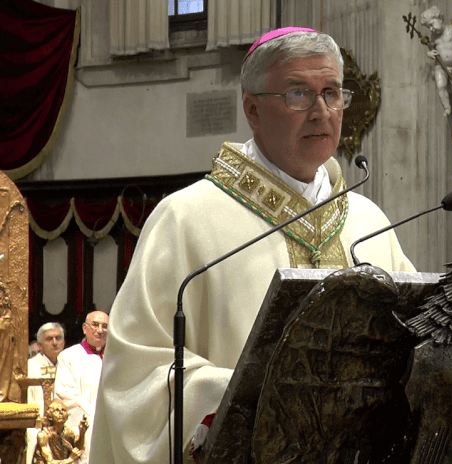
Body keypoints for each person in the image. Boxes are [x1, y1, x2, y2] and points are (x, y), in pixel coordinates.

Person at [90, 27, 415, 464]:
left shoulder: (369, 220)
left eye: (332, 93)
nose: (321, 111)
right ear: (253, 109)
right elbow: (135, 374)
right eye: (299, 94)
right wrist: (241, 395)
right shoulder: (184, 219)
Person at [55, 310, 107, 464]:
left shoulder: (117, 356)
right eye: (95, 325)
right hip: (83, 418)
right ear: (85, 328)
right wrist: (95, 413)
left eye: (105, 326)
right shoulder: (68, 356)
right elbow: (66, 394)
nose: (100, 330)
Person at [26, 322, 66, 464]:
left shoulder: (70, 365)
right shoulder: (30, 366)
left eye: (58, 338)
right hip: (39, 423)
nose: (55, 343)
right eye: (49, 339)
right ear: (39, 345)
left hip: (65, 421)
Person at [421, 6, 452, 116]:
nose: (431, 29)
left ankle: (448, 92)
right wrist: (429, 54)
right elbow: (431, 48)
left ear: (439, 18)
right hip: (441, 66)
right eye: (428, 27)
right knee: (440, 86)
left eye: (431, 24)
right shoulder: (434, 37)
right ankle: (447, 107)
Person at [34, 399, 88, 464]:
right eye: (57, 410)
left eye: (63, 410)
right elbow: (49, 462)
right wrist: (70, 459)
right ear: (50, 416)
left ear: (67, 416)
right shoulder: (43, 435)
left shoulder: (69, 433)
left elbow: (78, 452)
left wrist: (82, 433)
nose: (61, 413)